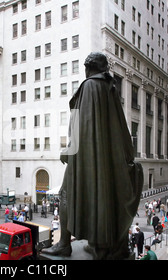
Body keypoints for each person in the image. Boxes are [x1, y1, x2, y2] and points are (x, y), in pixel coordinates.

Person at [42, 52, 143, 260]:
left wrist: (69, 150)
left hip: (86, 157)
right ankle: (100, 244)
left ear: (88, 68)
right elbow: (121, 127)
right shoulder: (110, 87)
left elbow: (82, 126)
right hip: (106, 159)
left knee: (64, 195)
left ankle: (64, 244)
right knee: (101, 196)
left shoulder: (89, 86)